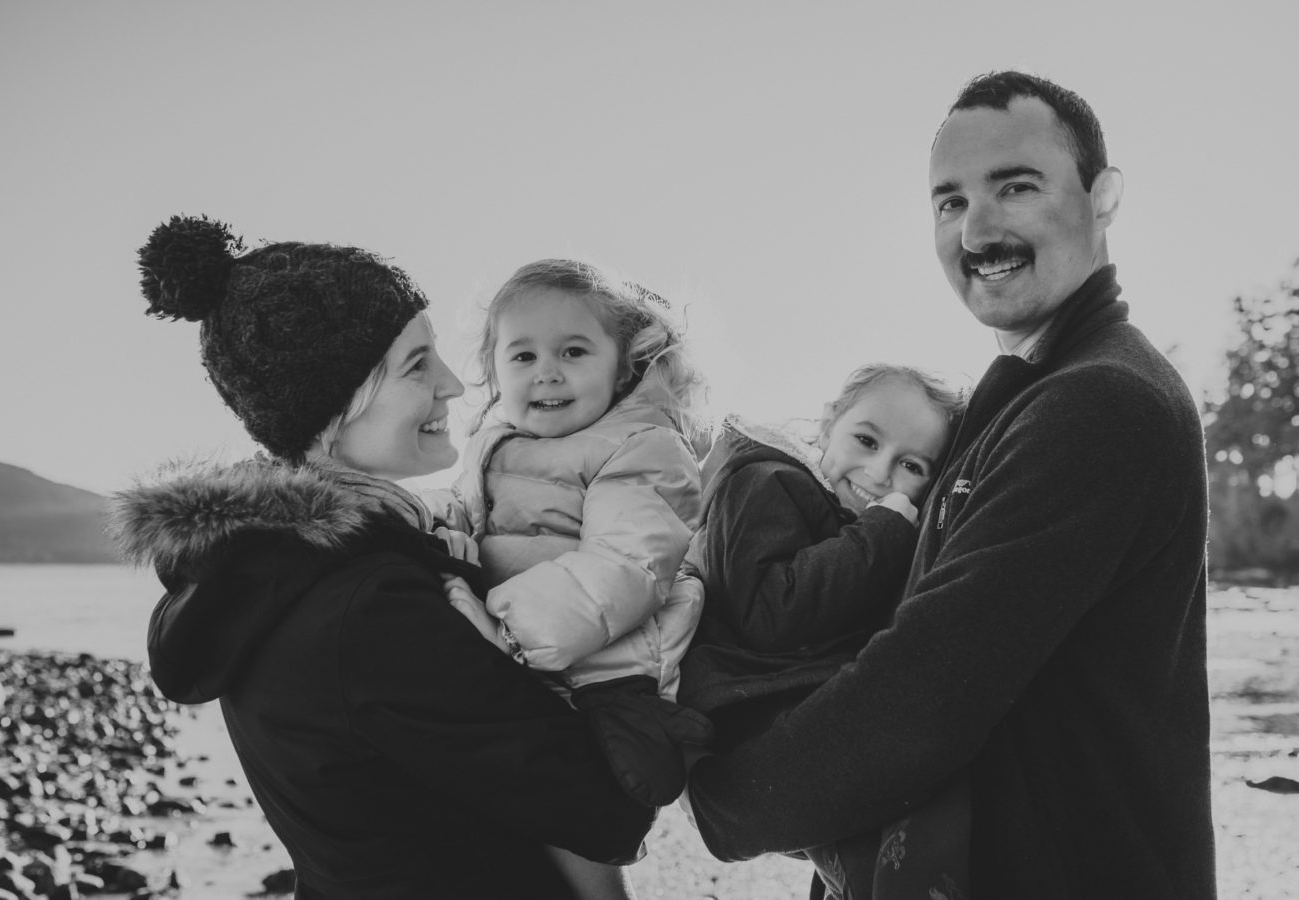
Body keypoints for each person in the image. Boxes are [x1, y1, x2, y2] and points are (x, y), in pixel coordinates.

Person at [685, 70, 1215, 899]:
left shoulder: (1104, 399)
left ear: (1103, 197)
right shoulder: (1019, 400)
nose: (979, 229)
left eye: (1017, 186)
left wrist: (727, 799)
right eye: (950, 202)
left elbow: (927, 690)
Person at [110, 217, 654, 899]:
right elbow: (607, 810)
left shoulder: (260, 577)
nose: (454, 384)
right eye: (417, 365)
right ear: (334, 410)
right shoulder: (372, 607)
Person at [425, 258, 713, 897]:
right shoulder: (494, 442)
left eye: (573, 351)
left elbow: (623, 567)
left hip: (601, 673)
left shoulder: (641, 445)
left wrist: (504, 631)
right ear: (494, 370)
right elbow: (473, 518)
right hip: (527, 656)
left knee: (577, 825)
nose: (547, 371)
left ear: (623, 364)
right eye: (522, 356)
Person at [678, 363, 966, 899]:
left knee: (876, 854)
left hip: (790, 708)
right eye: (865, 439)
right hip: (755, 713)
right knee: (883, 854)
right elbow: (770, 612)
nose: (880, 472)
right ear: (828, 421)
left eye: (911, 465)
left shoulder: (842, 520)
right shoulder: (766, 481)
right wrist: (884, 530)